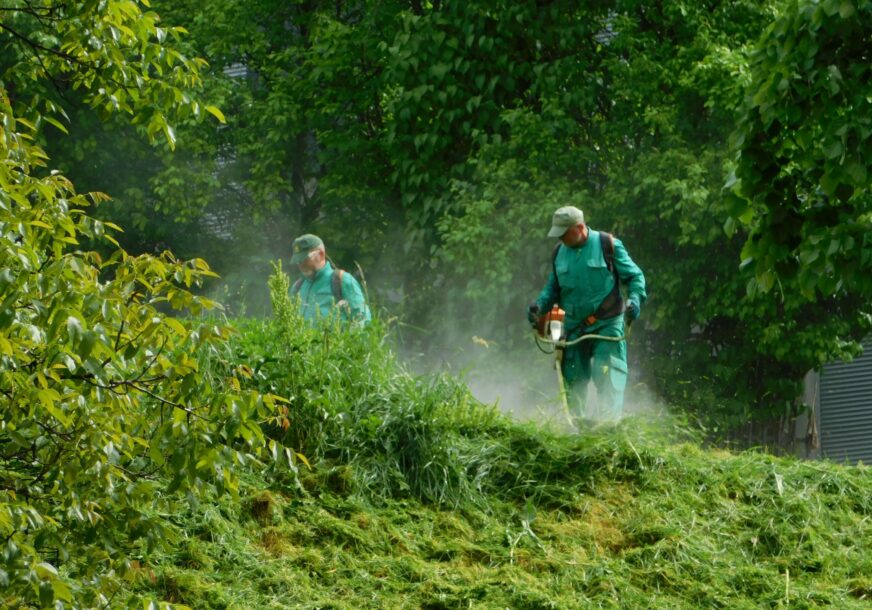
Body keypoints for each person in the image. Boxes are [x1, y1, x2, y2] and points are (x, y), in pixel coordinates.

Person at [528, 206, 646, 422]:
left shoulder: (607, 245)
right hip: (573, 328)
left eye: (564, 233)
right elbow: (552, 288)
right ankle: (577, 431)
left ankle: (608, 430)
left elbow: (635, 277)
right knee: (573, 380)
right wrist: (539, 306)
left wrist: (635, 299)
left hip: (607, 324)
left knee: (608, 375)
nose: (561, 238)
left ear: (580, 228)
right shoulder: (559, 253)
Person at [290, 234, 371, 325]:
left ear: (320, 254)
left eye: (305, 259)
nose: (301, 265)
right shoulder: (297, 287)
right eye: (298, 261)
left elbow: (362, 320)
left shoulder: (342, 280)